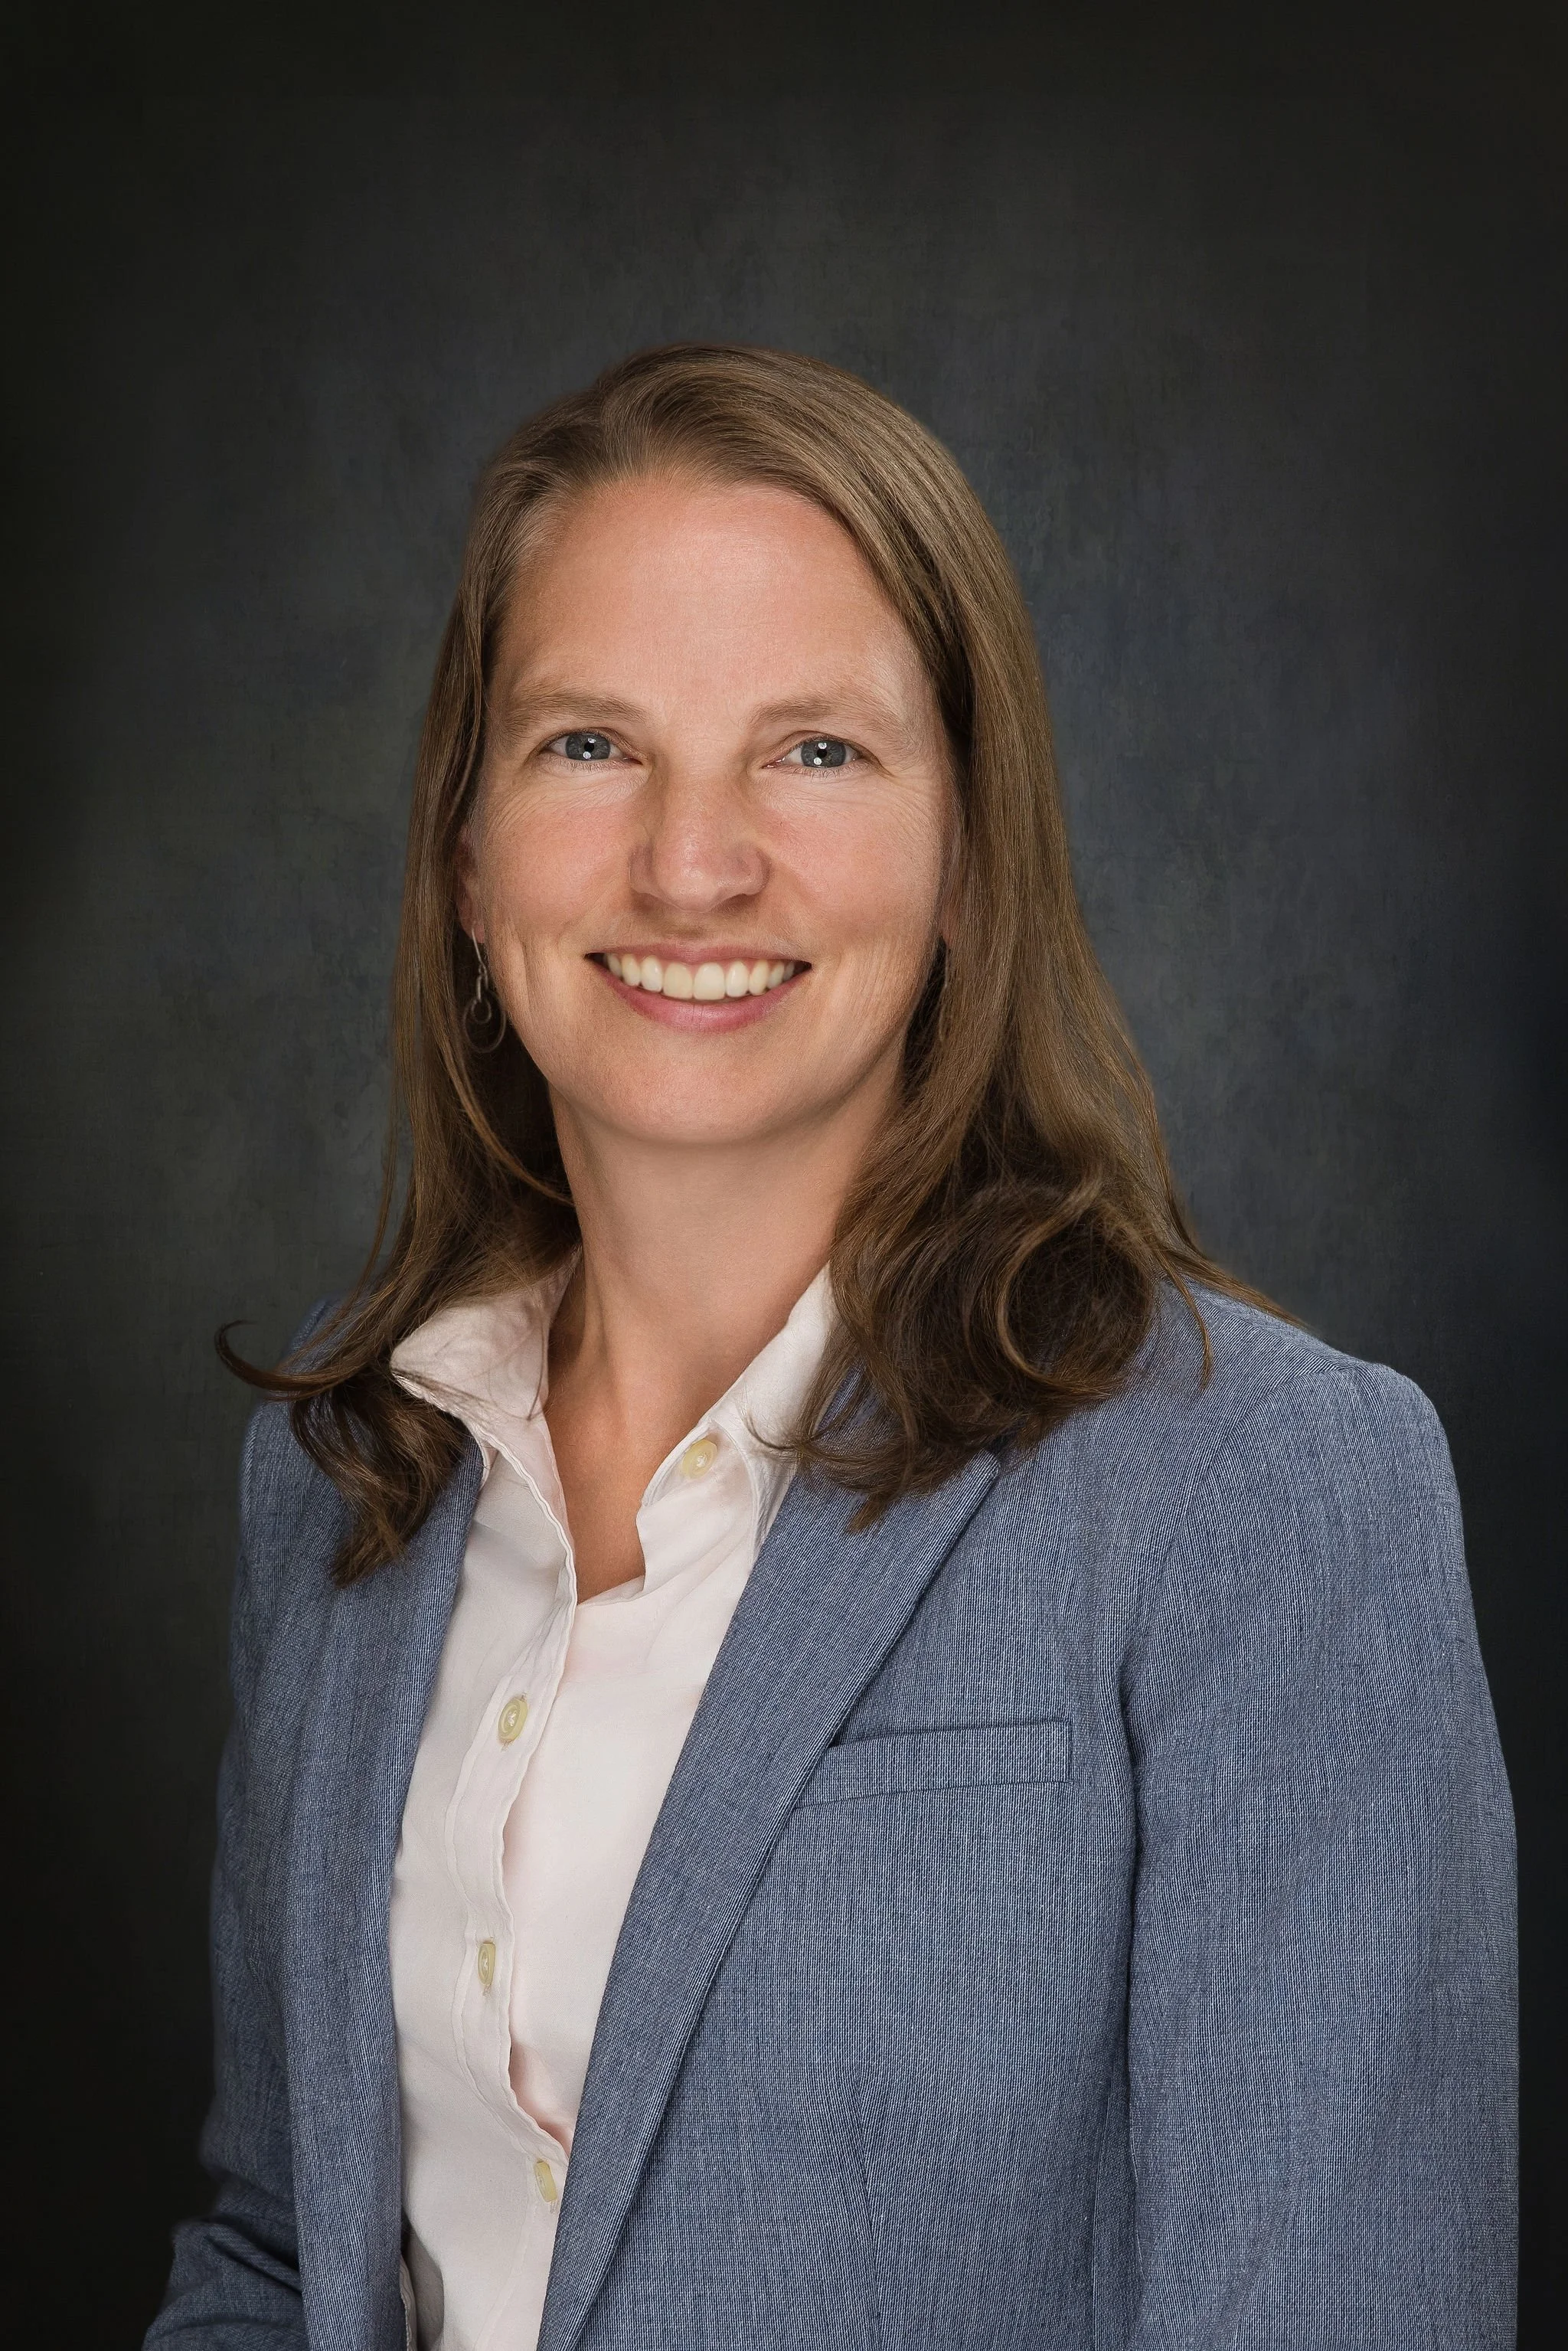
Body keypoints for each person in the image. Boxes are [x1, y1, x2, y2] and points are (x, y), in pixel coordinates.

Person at [146, 345, 1515, 2351]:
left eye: (816, 752)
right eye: (590, 742)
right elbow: (277, 2255)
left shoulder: (1279, 1494)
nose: (692, 863)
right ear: (463, 856)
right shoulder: (346, 1482)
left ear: (970, 859)